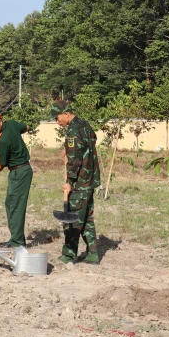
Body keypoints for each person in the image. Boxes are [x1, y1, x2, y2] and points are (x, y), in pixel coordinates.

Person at [51, 99, 102, 264]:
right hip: (90, 180)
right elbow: (92, 139)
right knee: (87, 217)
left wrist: (69, 181)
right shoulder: (84, 124)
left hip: (79, 182)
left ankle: (69, 254)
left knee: (72, 219)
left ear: (66, 114)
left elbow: (75, 160)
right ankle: (92, 253)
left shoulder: (72, 132)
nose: (56, 121)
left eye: (57, 117)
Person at [0, 109, 33, 248]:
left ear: (0, 121)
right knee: (10, 204)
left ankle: (17, 243)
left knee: (15, 206)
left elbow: (2, 163)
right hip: (19, 171)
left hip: (20, 172)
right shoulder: (12, 125)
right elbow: (26, 127)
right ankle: (17, 238)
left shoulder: (3, 141)